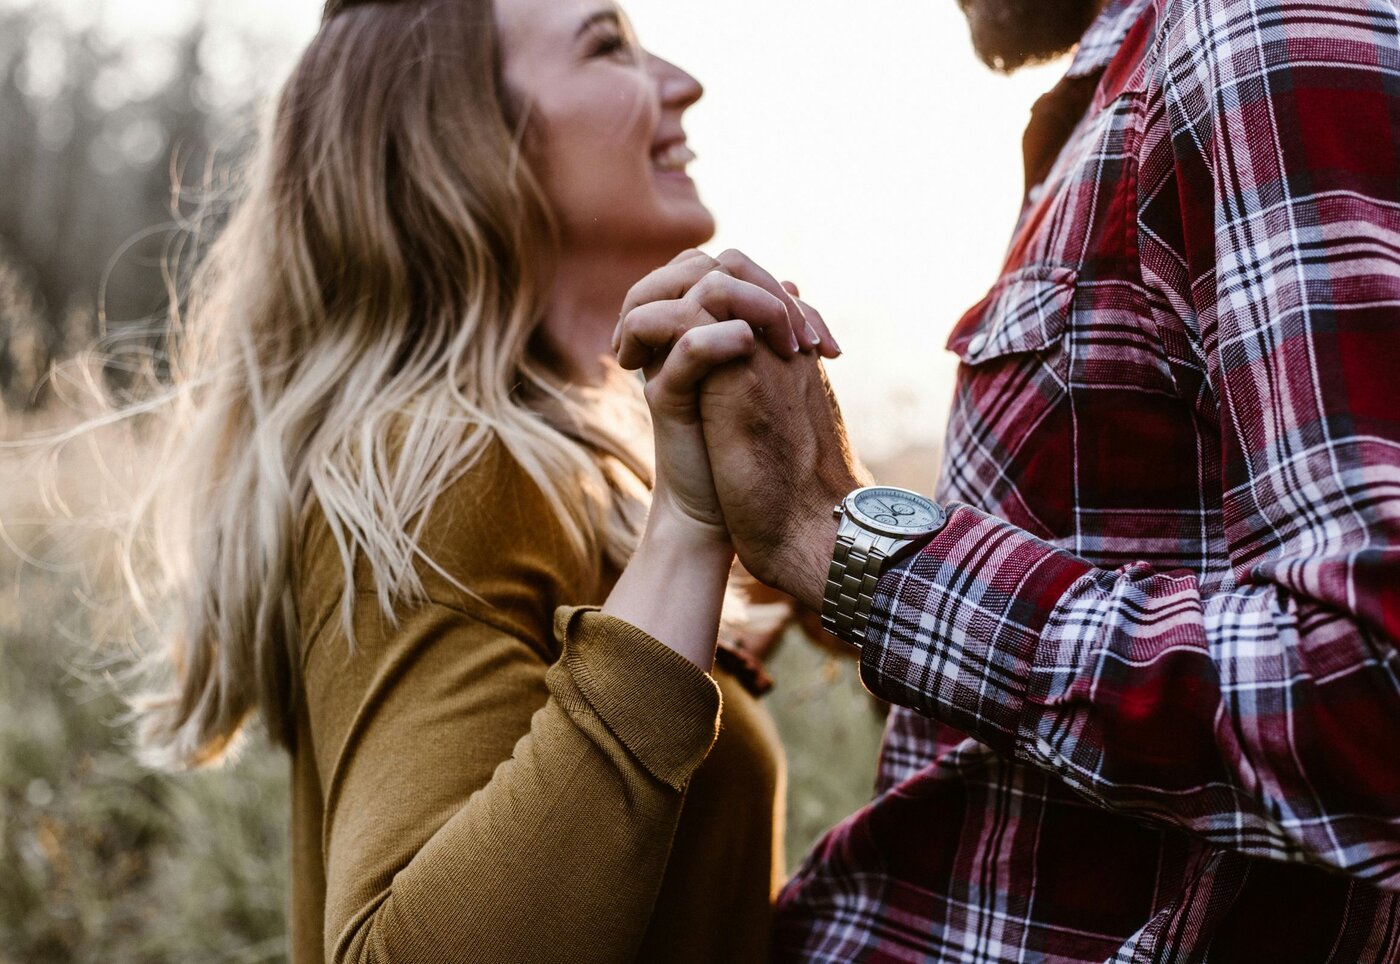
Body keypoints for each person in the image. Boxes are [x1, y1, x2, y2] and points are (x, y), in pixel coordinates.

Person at [616, 0, 1400, 959]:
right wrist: (845, 540)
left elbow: (1369, 681)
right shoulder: (1135, 88)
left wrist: (840, 542)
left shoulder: (1250, 32)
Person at [115, 0, 837, 961]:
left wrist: (816, 509)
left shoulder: (575, 467)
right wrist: (687, 538)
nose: (681, 82)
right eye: (606, 44)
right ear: (463, 138)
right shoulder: (440, 470)